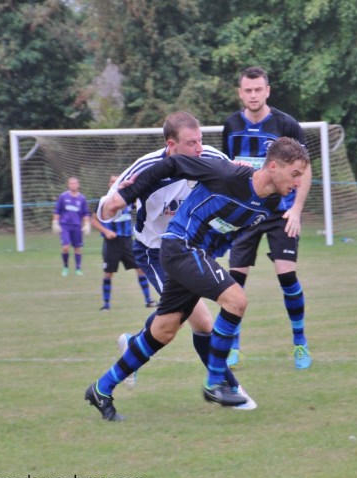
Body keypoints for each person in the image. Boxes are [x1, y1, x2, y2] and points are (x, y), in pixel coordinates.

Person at [84, 135, 310, 421]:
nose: (299, 182)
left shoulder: (273, 202)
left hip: (197, 254)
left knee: (164, 330)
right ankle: (216, 382)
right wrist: (126, 196)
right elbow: (172, 164)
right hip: (180, 246)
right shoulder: (226, 173)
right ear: (274, 166)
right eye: (295, 174)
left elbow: (230, 229)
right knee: (236, 301)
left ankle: (101, 389)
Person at [108, 111, 248, 397]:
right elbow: (105, 209)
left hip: (190, 251)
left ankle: (133, 347)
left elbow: (235, 180)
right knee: (198, 322)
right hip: (155, 253)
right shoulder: (146, 167)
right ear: (171, 145)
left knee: (180, 321)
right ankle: (228, 388)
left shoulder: (211, 157)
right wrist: (120, 198)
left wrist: (243, 173)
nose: (199, 148)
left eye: (200, 140)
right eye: (191, 143)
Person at [222, 66, 313, 370]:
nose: (253, 95)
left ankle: (300, 342)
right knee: (234, 283)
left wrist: (296, 209)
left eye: (258, 89)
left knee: (287, 277)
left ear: (267, 91)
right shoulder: (231, 125)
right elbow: (227, 170)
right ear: (240, 93)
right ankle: (233, 347)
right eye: (248, 90)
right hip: (245, 213)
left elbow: (305, 170)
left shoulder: (286, 124)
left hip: (280, 212)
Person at [90, 175, 157, 311]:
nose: (114, 183)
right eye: (112, 181)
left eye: (116, 181)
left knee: (140, 269)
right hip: (111, 243)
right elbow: (93, 220)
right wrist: (106, 231)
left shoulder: (128, 200)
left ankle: (149, 300)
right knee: (108, 273)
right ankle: (106, 305)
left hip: (127, 241)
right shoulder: (104, 201)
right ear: (109, 185)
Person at [52, 177, 91, 276]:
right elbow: (57, 211)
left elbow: (86, 213)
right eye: (71, 183)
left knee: (77, 248)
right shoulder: (63, 197)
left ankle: (78, 268)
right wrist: (55, 222)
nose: (73, 185)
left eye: (75, 183)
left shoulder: (82, 198)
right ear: (68, 185)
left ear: (78, 185)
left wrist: (87, 224)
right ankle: (65, 267)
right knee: (65, 247)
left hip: (77, 226)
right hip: (65, 226)